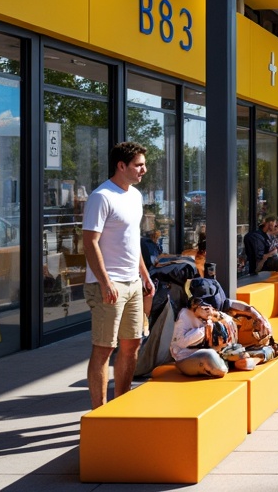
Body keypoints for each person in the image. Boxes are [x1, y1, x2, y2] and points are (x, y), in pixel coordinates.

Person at [82, 141, 155, 408]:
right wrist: (105, 282)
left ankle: (120, 406)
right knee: (104, 349)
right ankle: (99, 413)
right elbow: (89, 242)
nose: (143, 170)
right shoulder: (102, 197)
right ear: (121, 165)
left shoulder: (135, 195)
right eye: (138, 165)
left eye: (144, 164)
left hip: (133, 282)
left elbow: (131, 241)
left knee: (132, 345)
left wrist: (144, 275)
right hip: (108, 285)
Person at [170, 280, 263, 377]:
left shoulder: (218, 309)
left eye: (211, 304)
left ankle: (260, 355)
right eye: (204, 304)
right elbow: (179, 344)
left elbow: (240, 308)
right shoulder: (185, 315)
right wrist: (205, 330)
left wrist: (259, 317)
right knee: (212, 359)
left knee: (248, 350)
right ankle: (231, 360)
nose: (208, 307)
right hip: (190, 356)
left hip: (222, 350)